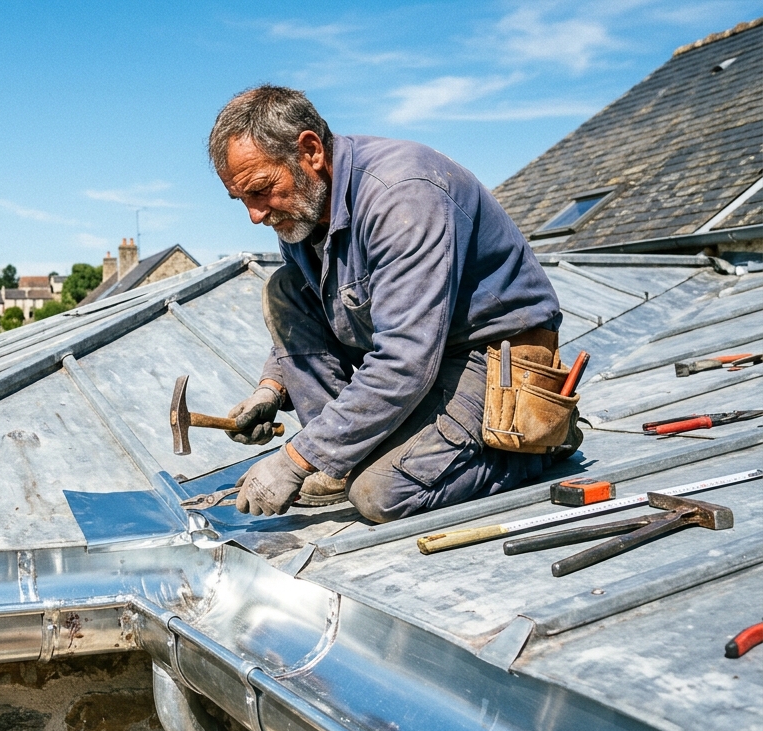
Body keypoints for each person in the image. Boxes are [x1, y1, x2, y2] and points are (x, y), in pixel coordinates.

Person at [210, 85, 580, 522]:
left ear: (310, 150)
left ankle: (536, 441)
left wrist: (297, 458)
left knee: (378, 493)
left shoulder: (403, 194)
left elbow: (405, 359)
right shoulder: (303, 208)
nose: (255, 215)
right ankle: (342, 457)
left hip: (492, 361)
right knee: (283, 289)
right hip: (424, 359)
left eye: (260, 190)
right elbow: (319, 308)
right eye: (243, 200)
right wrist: (271, 388)